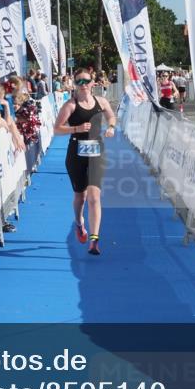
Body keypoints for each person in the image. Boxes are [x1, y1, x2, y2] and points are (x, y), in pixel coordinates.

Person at [54, 68, 117, 256]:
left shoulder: (101, 101)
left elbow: (111, 116)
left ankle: (94, 240)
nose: (83, 85)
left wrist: (111, 127)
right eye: (79, 81)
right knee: (80, 197)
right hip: (76, 153)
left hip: (97, 151)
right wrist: (77, 128)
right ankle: (79, 223)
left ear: (92, 83)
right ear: (74, 84)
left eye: (86, 81)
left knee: (94, 197)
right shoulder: (70, 105)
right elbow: (57, 129)